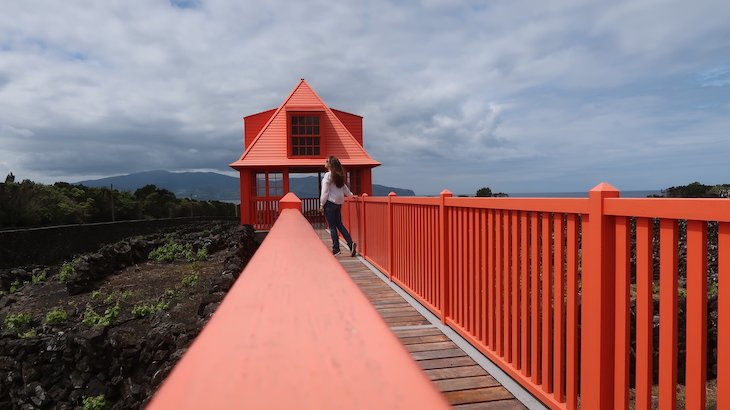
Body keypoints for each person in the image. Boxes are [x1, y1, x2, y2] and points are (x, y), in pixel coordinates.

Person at [320, 156, 357, 256]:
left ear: (330, 164)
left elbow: (325, 191)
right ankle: (350, 244)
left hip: (330, 203)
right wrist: (351, 195)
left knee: (332, 227)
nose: (325, 161)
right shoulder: (338, 175)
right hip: (338, 203)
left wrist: (321, 204)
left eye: (327, 161)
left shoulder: (328, 175)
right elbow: (344, 188)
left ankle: (336, 249)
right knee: (339, 225)